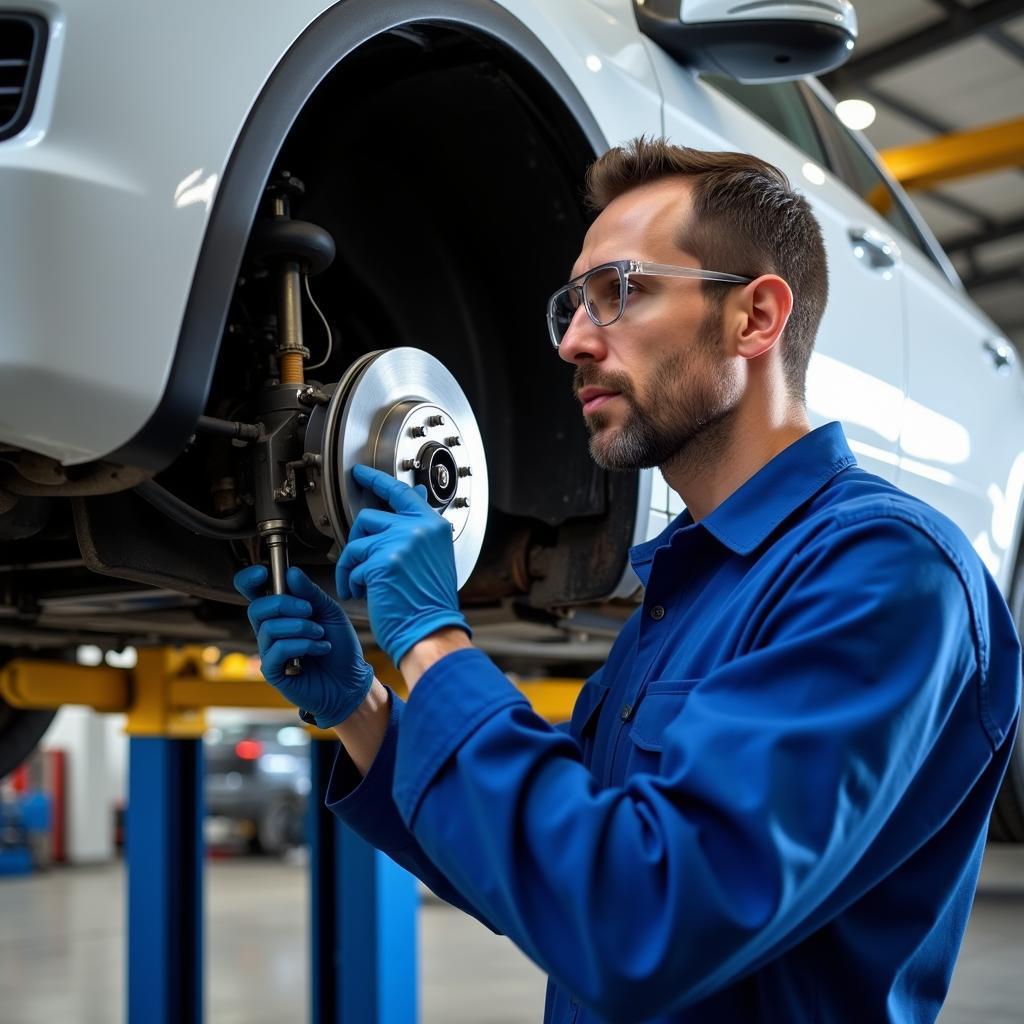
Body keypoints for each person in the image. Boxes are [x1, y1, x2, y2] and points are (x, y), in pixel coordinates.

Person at [234, 138, 1021, 1023]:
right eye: (571, 304)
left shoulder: (887, 573)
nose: (572, 340)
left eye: (620, 292)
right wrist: (366, 714)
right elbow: (549, 870)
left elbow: (634, 921)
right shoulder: (687, 585)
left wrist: (433, 640)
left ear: (755, 319)